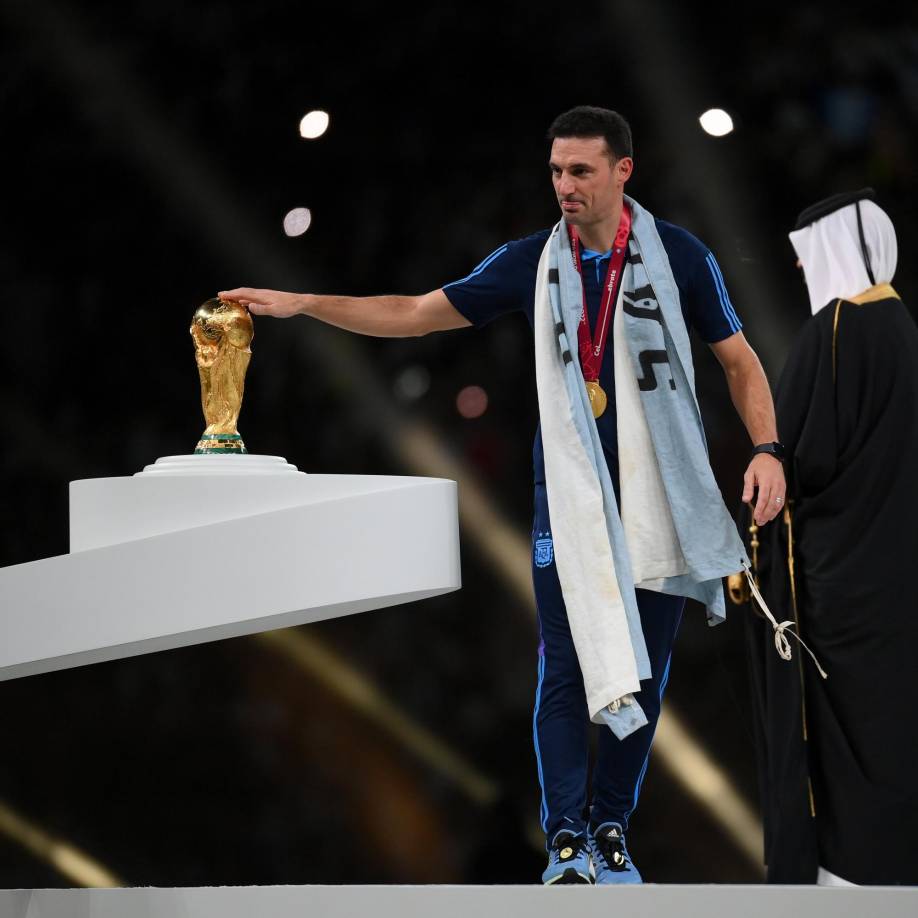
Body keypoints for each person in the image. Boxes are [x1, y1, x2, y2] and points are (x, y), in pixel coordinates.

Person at [220, 106, 785, 885]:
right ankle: (565, 840)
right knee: (563, 667)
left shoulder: (679, 255)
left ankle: (611, 831)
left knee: (645, 673)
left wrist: (766, 449)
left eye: (581, 170)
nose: (565, 187)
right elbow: (418, 315)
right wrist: (308, 303)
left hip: (660, 497)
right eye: (556, 171)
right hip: (571, 496)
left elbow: (741, 362)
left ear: (624, 170)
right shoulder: (531, 262)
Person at [739, 189, 918, 886]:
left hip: (840, 604)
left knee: (839, 758)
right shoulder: (905, 330)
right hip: (899, 590)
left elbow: (798, 464)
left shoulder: (837, 331)